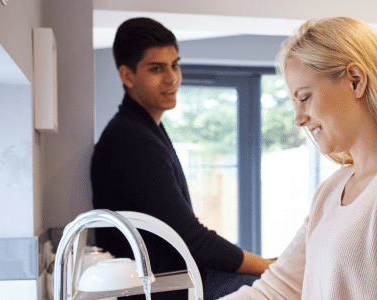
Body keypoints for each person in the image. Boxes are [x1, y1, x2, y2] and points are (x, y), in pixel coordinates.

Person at [220, 17, 377, 299]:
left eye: (304, 98)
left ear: (355, 81)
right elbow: (277, 289)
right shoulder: (331, 190)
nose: (299, 119)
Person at [91, 17, 273, 300]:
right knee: (279, 287)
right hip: (169, 289)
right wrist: (268, 267)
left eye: (175, 65)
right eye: (156, 69)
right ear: (127, 76)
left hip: (181, 281)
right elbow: (193, 239)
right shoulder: (131, 140)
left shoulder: (143, 129)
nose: (172, 78)